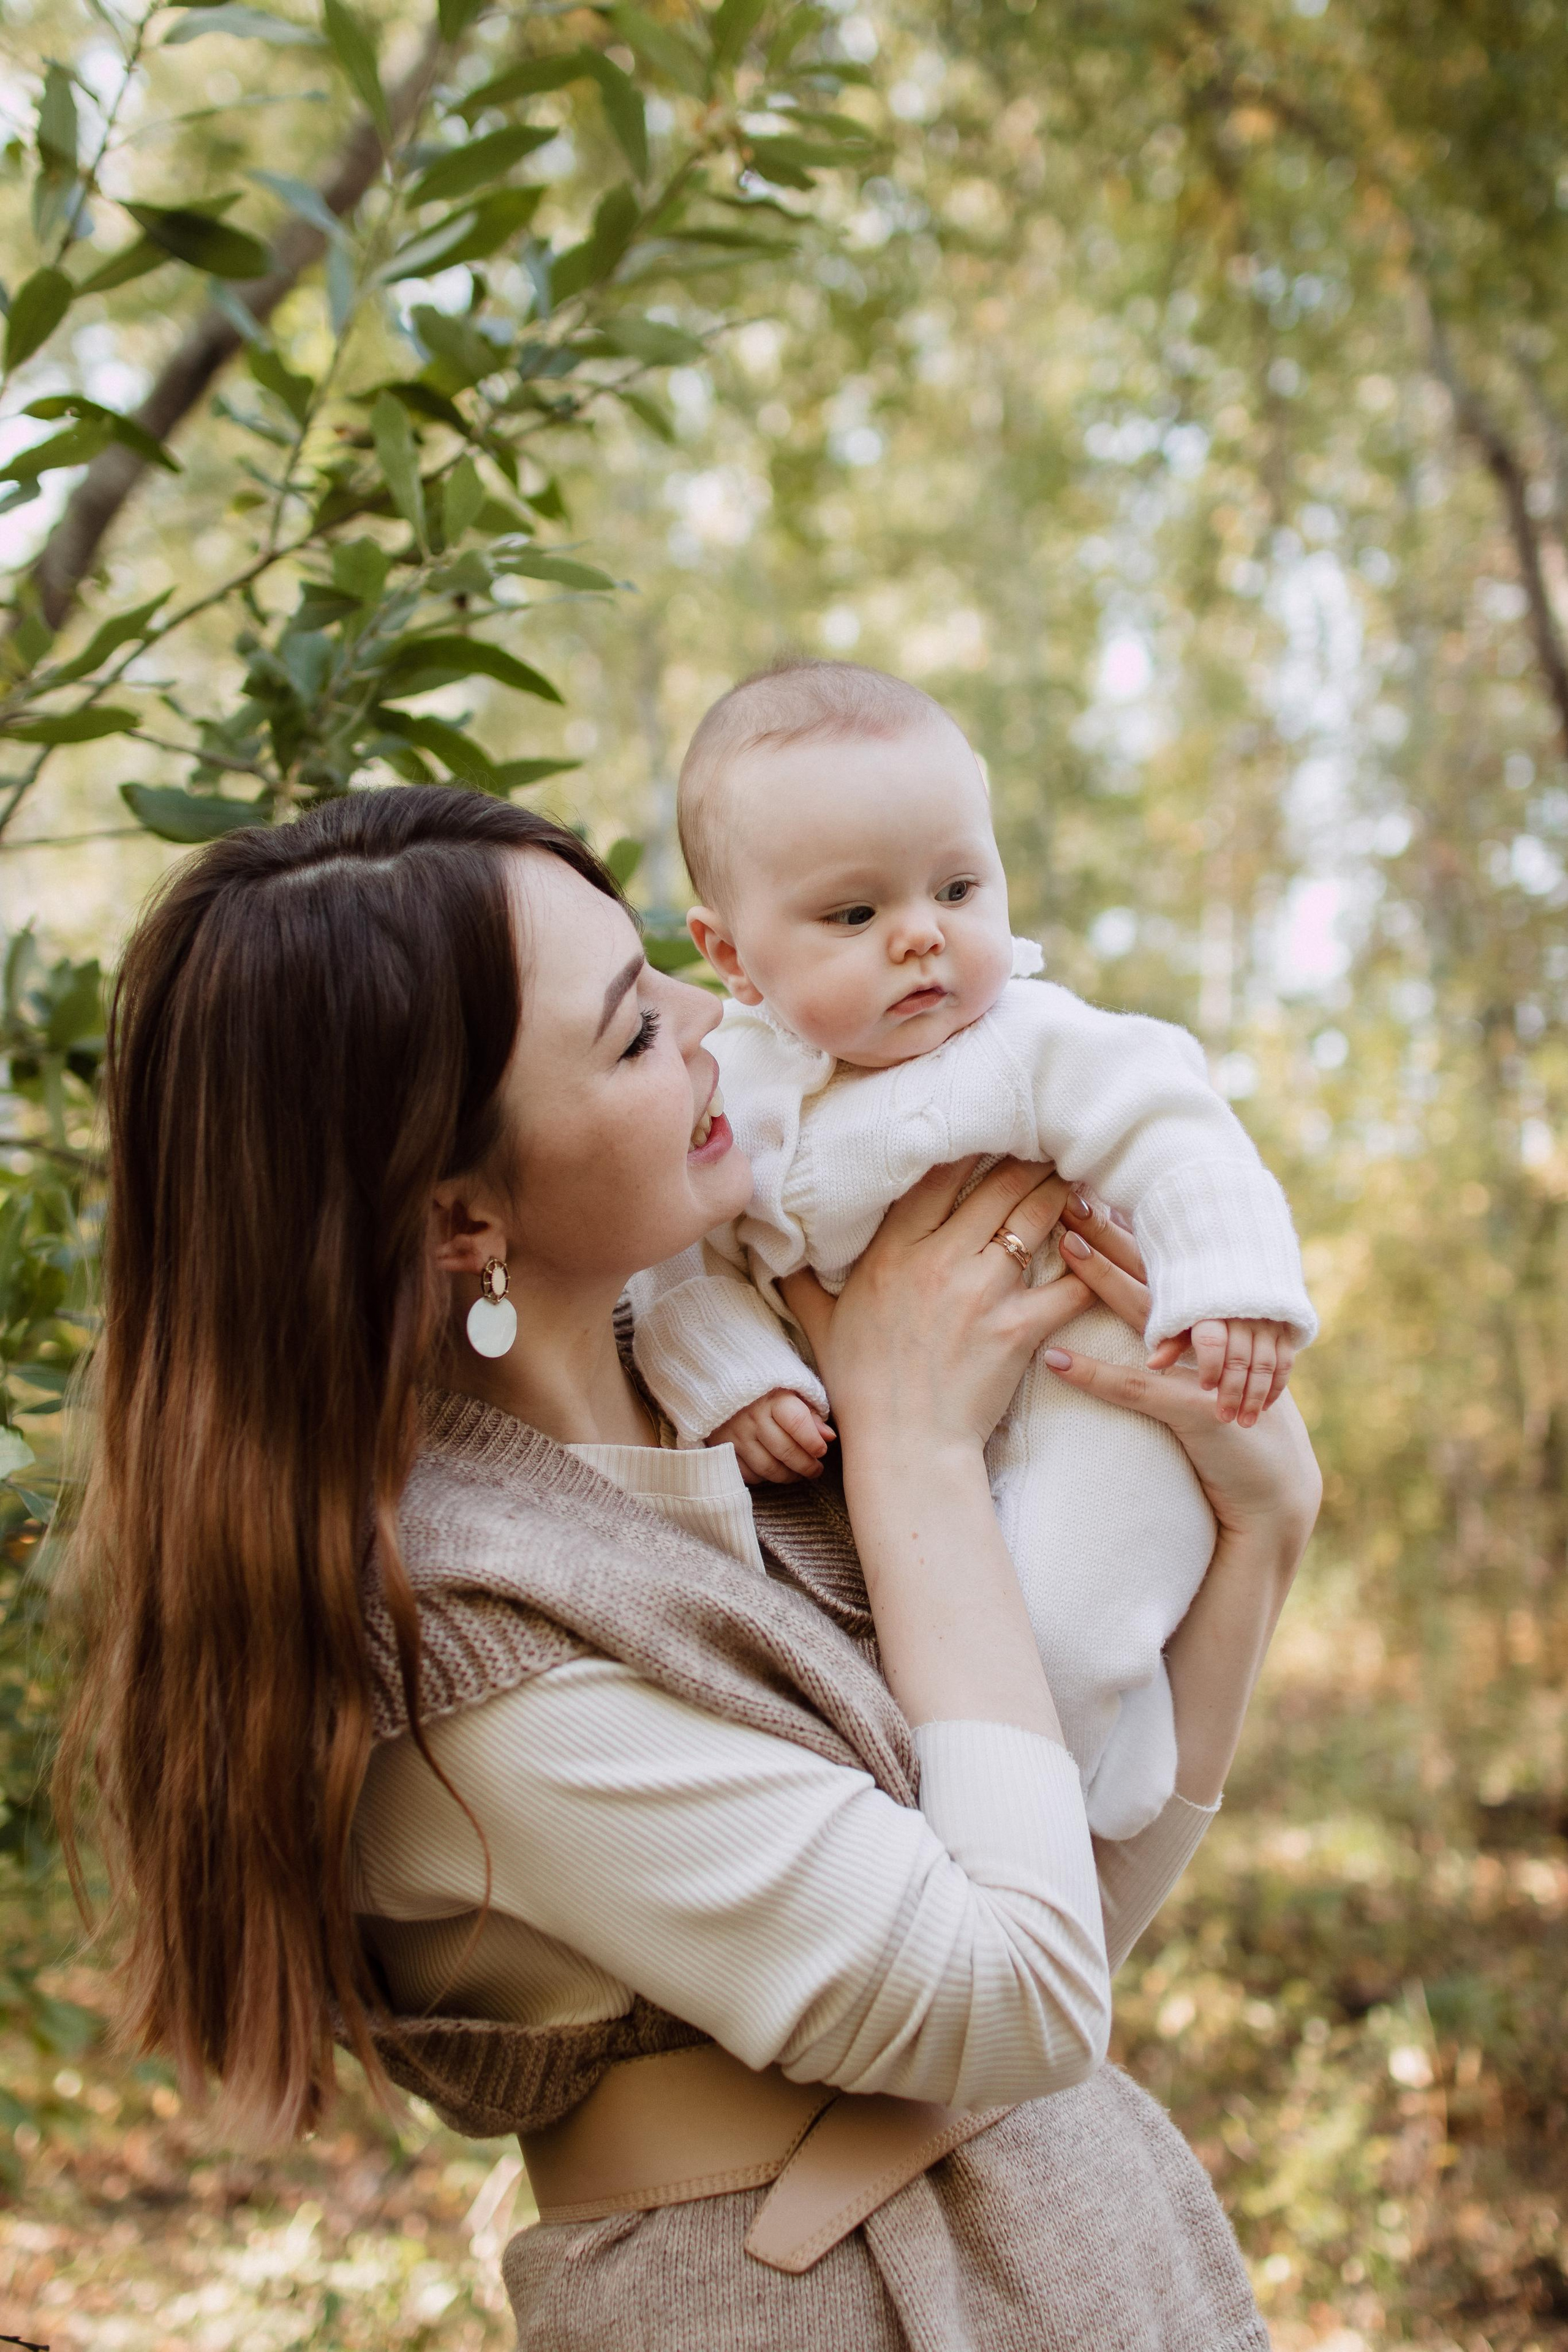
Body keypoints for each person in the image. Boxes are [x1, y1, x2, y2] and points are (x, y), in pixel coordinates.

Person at [59, 785, 1320, 2351]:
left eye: (657, 970)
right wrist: (915, 1447)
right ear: (462, 1218)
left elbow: (1062, 1921)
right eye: (630, 1033)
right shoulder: (463, 1641)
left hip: (1087, 2255)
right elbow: (1015, 1996)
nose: (709, 1016)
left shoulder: (741, 1398)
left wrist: (1260, 1534)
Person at [631, 658, 1316, 1838]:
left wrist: (1231, 1284)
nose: (921, 939)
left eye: (958, 887)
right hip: (899, 1446)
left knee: (1049, 1632)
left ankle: (1066, 1802)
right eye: (856, 914)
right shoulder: (724, 1097)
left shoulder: (1027, 1039)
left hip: (1094, 1394)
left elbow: (1173, 1120)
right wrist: (736, 1380)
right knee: (920, 1645)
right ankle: (1014, 1829)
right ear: (731, 954)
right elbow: (684, 1273)